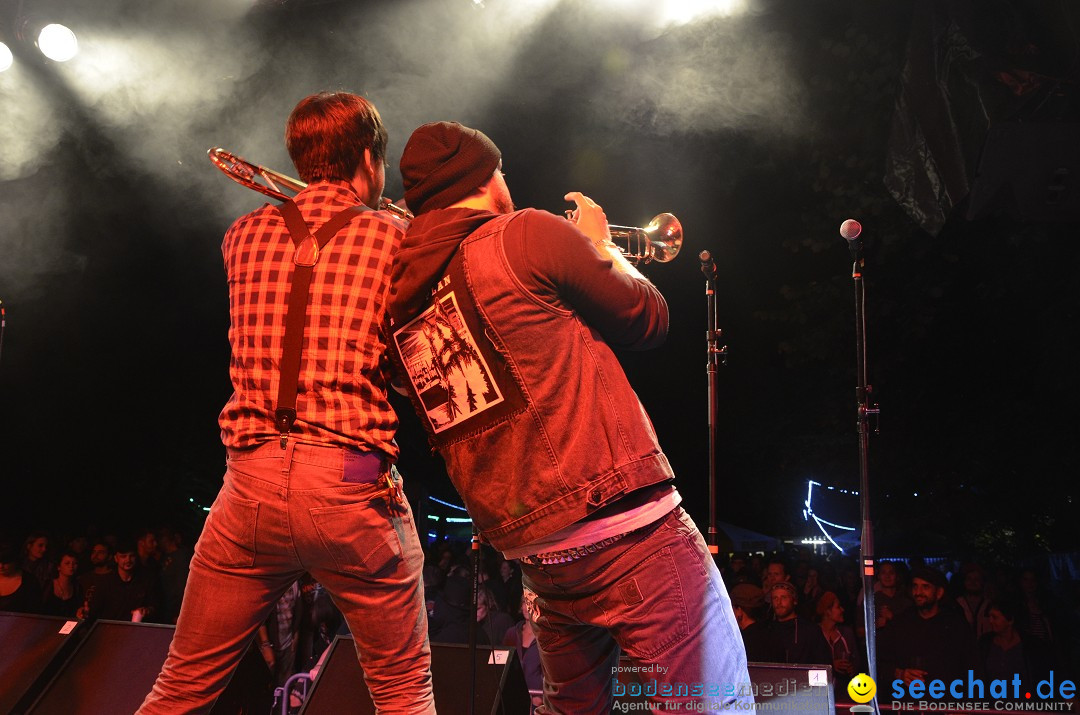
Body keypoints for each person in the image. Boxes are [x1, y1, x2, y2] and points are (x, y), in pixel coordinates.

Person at [388, 120, 752, 713]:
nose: (506, 182)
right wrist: (601, 246)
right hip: (628, 532)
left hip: (540, 560)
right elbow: (648, 319)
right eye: (500, 172)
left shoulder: (399, 302)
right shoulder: (524, 233)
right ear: (483, 179)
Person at [137, 92, 435, 714]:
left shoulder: (240, 236)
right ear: (367, 157)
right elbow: (410, 365)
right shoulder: (396, 238)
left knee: (180, 690)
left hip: (250, 487)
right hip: (350, 485)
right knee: (404, 695)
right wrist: (400, 226)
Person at [767, 581, 832, 666]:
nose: (779, 602)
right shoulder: (767, 630)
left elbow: (823, 663)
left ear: (794, 601)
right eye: (775, 598)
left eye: (784, 597)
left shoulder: (810, 631)